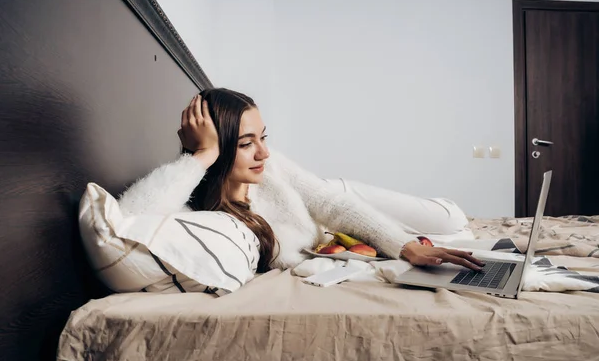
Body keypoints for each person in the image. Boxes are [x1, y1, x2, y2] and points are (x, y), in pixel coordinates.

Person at [117, 88, 484, 273]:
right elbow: (128, 220)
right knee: (454, 242)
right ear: (213, 147)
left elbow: (331, 205)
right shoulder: (194, 204)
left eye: (264, 137)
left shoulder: (269, 167)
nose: (264, 153)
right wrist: (201, 157)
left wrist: (404, 246)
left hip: (329, 197)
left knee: (450, 219)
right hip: (328, 236)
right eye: (246, 143)